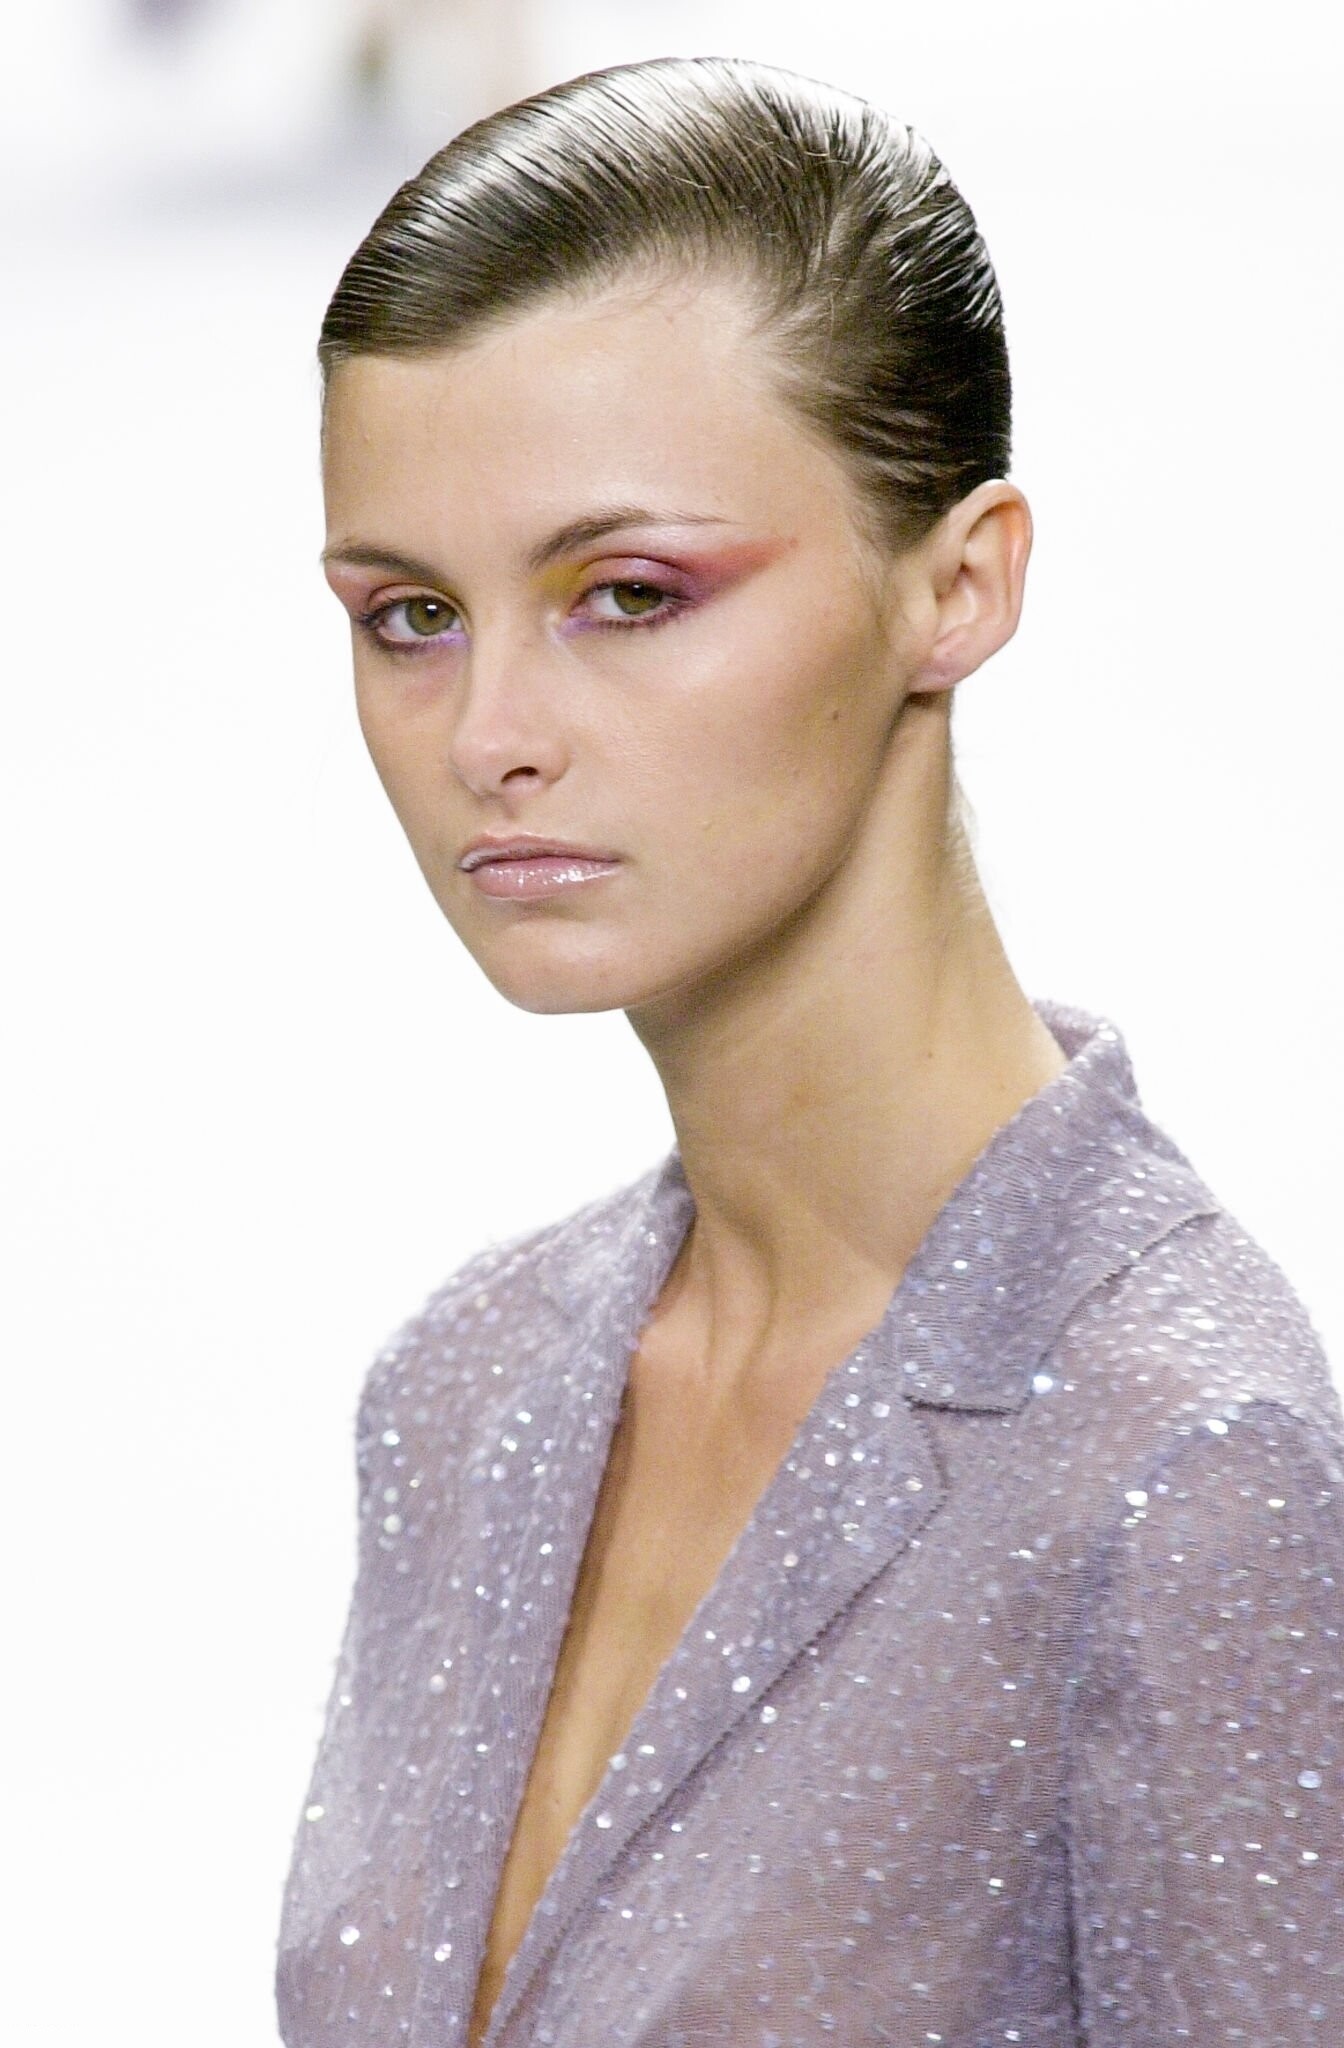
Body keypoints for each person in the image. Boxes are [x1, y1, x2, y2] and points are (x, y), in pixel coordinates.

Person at [275, 55, 1344, 2047]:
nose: (489, 733)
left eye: (628, 593)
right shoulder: (465, 1390)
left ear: (963, 582)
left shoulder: (1183, 1472)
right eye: (410, 615)